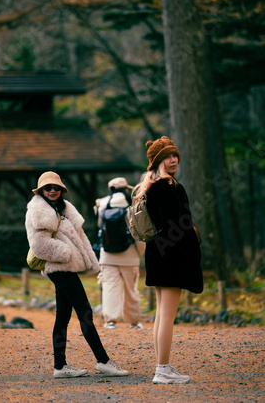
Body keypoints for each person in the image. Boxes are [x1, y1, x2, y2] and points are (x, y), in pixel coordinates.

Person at [25, 171, 129, 378]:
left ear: (61, 190)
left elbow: (80, 238)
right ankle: (103, 361)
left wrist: (89, 260)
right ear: (41, 191)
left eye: (56, 188)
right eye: (48, 188)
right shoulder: (38, 211)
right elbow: (38, 245)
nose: (53, 191)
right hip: (59, 267)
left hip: (66, 267)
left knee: (63, 316)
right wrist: (66, 253)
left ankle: (60, 366)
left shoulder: (63, 209)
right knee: (85, 312)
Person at [133, 137, 203, 384]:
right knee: (166, 316)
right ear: (157, 160)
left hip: (158, 253)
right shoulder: (167, 187)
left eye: (175, 155)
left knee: (162, 314)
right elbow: (176, 226)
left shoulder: (152, 186)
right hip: (172, 256)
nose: (173, 159)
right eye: (167, 156)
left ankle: (162, 367)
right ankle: (162, 370)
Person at [96, 177, 145, 330]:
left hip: (107, 255)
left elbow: (100, 227)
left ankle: (110, 321)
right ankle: (134, 321)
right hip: (129, 256)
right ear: (125, 189)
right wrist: (138, 253)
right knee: (131, 289)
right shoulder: (132, 204)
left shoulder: (102, 205)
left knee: (110, 287)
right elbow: (139, 232)